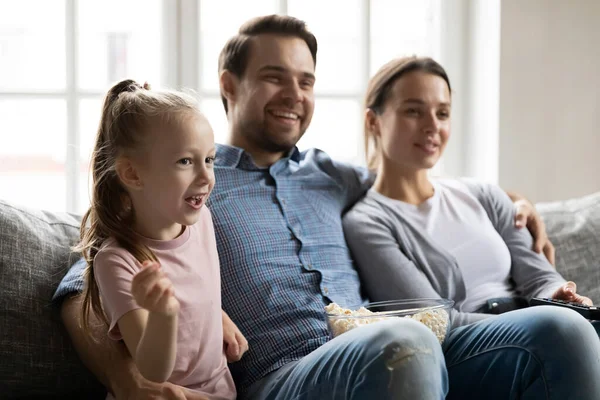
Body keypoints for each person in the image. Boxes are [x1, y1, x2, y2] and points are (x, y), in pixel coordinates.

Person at [53, 15, 600, 400]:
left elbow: (414, 182)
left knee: (563, 330)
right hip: (288, 372)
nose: (294, 93)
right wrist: (124, 376)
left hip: (394, 342)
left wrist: (514, 204)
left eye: (306, 81)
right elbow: (85, 279)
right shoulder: (191, 179)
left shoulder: (331, 175)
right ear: (229, 85)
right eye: (274, 77)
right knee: (403, 342)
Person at [342, 56, 595, 327]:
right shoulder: (366, 223)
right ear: (373, 121)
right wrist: (540, 322)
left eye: (442, 113)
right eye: (413, 111)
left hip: (540, 326)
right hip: (474, 343)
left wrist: (560, 297)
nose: (432, 126)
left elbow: (540, 278)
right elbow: (435, 320)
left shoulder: (483, 195)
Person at [72, 79, 247, 399]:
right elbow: (152, 368)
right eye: (185, 161)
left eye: (209, 159)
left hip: (221, 388)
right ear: (133, 174)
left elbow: (196, 282)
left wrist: (215, 317)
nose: (206, 177)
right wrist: (164, 316)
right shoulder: (116, 261)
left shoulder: (201, 220)